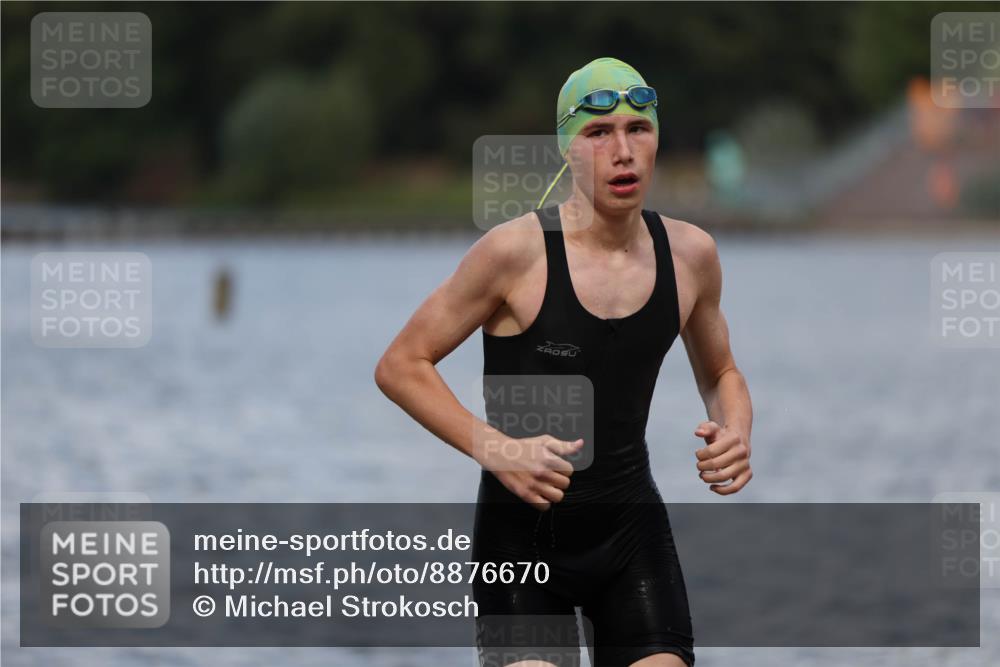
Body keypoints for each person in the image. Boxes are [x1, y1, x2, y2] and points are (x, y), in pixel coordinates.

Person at [375, 57, 753, 667]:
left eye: (639, 129)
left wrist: (735, 427)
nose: (622, 151)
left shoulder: (690, 256)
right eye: (598, 133)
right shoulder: (513, 254)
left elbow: (721, 373)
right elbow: (401, 364)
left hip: (631, 536)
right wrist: (498, 449)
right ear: (566, 148)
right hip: (521, 545)